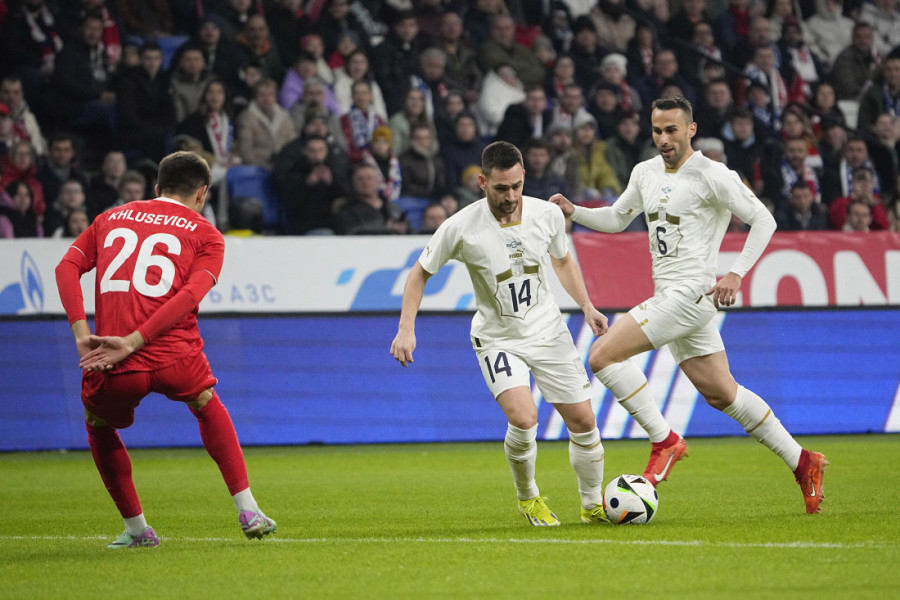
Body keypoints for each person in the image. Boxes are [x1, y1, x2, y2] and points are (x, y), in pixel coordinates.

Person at [549, 96, 828, 514]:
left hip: (691, 294)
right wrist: (576, 212)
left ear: (691, 130)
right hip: (671, 296)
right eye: (657, 131)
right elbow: (618, 218)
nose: (663, 139)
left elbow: (763, 219)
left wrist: (735, 273)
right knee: (721, 393)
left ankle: (664, 440)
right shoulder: (644, 172)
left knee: (602, 355)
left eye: (672, 130)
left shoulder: (713, 175)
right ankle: (803, 461)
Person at [54, 151, 277, 548]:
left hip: (113, 360)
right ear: (201, 194)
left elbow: (66, 267)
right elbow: (192, 293)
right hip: (177, 354)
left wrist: (79, 332)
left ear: (156, 188)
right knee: (206, 401)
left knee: (98, 423)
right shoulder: (207, 234)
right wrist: (138, 340)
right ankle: (248, 509)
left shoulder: (111, 218)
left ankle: (139, 531)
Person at [390, 141, 610, 527]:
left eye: (516, 187)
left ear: (524, 177)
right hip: (498, 337)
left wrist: (588, 306)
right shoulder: (460, 227)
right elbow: (419, 273)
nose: (510, 197)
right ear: (481, 182)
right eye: (500, 189)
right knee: (524, 418)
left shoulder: (547, 215)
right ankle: (529, 499)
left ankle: (592, 505)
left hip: (548, 330)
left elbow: (562, 260)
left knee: (584, 423)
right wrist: (406, 328)